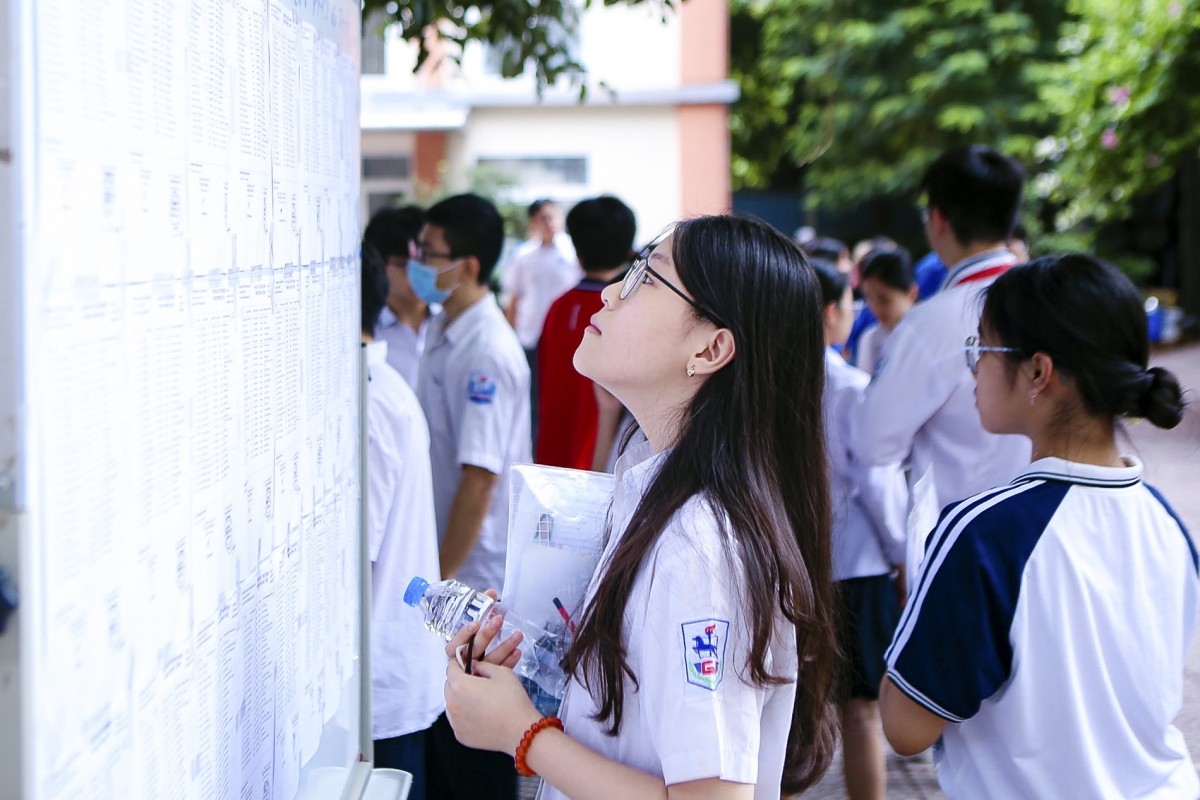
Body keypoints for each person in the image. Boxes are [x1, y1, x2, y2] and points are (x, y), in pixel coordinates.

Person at [440, 215, 839, 799]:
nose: (608, 293)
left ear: (711, 347)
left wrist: (523, 734)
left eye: (646, 280)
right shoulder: (653, 487)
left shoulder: (701, 546)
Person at [879, 253, 1196, 798]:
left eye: (982, 348)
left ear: (1038, 372)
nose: (974, 367)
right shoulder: (1168, 523)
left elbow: (906, 726)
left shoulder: (986, 532)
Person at [412, 193, 531, 800]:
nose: (417, 263)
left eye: (429, 254)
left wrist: (440, 579)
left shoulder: (485, 349)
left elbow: (478, 481)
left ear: (470, 265)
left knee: (474, 757)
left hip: (470, 583)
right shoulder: (445, 328)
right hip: (451, 578)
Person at [851, 145, 1031, 511]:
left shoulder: (930, 323)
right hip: (1051, 530)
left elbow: (871, 442)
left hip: (960, 534)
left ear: (938, 219)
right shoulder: (1059, 302)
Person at [813, 261, 907, 800]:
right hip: (858, 564)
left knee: (796, 715)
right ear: (831, 312)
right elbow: (876, 480)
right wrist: (901, 554)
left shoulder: (772, 383)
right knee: (862, 711)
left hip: (795, 564)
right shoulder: (851, 387)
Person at [359, 245, 444, 799]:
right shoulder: (382, 387)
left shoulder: (366, 402)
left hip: (379, 678)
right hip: (390, 668)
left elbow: (355, 557)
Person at [535, 195, 636, 470]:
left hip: (552, 459)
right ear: (629, 249)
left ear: (577, 250)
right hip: (602, 461)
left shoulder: (558, 307)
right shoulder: (625, 310)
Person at [503, 199, 583, 440]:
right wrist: (510, 335)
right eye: (542, 218)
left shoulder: (573, 253)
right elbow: (514, 298)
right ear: (533, 222)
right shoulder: (523, 255)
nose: (548, 223)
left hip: (565, 338)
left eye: (552, 216)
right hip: (531, 336)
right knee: (534, 397)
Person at [364, 205, 434, 388]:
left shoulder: (448, 323)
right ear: (379, 265)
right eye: (404, 265)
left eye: (424, 262)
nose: (419, 273)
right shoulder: (369, 332)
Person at [855, 247, 917, 375]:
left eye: (884, 300)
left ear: (911, 293)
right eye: (869, 299)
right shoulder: (870, 340)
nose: (875, 308)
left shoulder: (930, 336)